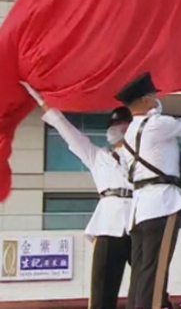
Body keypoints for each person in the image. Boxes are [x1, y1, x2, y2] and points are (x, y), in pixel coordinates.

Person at [21, 82, 133, 309]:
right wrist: (42, 100)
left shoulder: (145, 155)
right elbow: (66, 130)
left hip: (138, 221)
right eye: (113, 125)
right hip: (107, 224)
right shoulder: (97, 156)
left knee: (151, 286)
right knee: (102, 291)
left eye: (121, 124)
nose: (115, 129)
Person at [115, 72, 181, 309]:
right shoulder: (157, 124)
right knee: (155, 275)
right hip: (161, 205)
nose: (155, 100)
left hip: (139, 210)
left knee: (141, 276)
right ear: (143, 101)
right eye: (152, 96)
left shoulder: (129, 134)